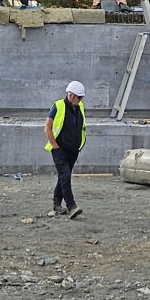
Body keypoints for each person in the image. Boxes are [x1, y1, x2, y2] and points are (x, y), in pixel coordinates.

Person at [45, 80, 87, 218]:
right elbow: (47, 128)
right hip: (59, 149)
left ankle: (57, 205)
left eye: (82, 98)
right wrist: (55, 146)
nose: (80, 100)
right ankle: (71, 206)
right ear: (71, 95)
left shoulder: (80, 107)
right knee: (65, 175)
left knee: (63, 177)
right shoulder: (58, 106)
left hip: (73, 150)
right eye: (79, 97)